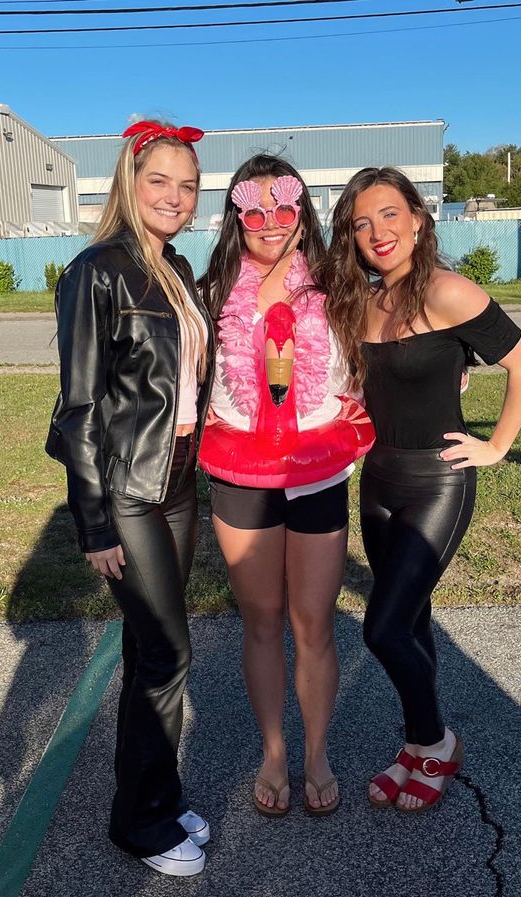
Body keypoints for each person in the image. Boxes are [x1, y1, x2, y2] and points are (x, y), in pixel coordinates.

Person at [322, 167, 521, 813]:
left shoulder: (449, 291)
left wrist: (496, 446)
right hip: (379, 479)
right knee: (410, 623)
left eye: (390, 214)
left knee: (382, 628)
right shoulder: (361, 302)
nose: (377, 232)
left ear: (418, 218)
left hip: (438, 480)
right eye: (362, 223)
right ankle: (417, 750)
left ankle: (436, 742)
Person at [46, 119, 215, 875]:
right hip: (129, 492)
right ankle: (140, 823)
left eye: (188, 186)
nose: (175, 197)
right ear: (128, 180)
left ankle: (160, 792)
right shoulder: (97, 270)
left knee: (156, 651)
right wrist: (93, 525)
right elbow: (77, 407)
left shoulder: (175, 267)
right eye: (161, 181)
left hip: (180, 482)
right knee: (168, 654)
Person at [198, 155, 373, 817]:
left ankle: (317, 753)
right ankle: (274, 751)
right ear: (236, 218)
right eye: (254, 210)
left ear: (303, 213)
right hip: (240, 468)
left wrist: (454, 364)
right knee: (264, 620)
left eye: (285, 207)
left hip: (317, 467)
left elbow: (394, 329)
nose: (271, 223)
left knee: (313, 621)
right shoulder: (212, 288)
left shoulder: (339, 284)